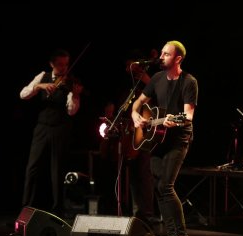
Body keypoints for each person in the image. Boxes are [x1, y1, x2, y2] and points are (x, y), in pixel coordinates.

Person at [131, 40, 198, 236]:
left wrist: (175, 121)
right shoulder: (158, 78)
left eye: (166, 54)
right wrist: (135, 117)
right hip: (158, 139)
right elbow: (137, 103)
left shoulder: (189, 82)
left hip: (178, 139)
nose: (161, 57)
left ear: (178, 59)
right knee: (159, 188)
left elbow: (188, 116)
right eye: (161, 53)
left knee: (165, 186)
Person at [20, 48, 84, 215]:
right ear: (52, 64)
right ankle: (26, 209)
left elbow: (71, 111)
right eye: (60, 65)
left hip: (60, 129)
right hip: (42, 127)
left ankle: (58, 211)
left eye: (66, 65)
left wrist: (75, 95)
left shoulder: (70, 82)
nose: (64, 68)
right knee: (32, 168)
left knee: (57, 171)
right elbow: (23, 94)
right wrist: (39, 86)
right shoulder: (43, 76)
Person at [99, 48, 158, 224]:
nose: (128, 70)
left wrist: (146, 79)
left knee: (143, 174)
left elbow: (159, 97)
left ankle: (147, 214)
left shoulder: (151, 80)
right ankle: (134, 212)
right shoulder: (128, 84)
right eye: (126, 67)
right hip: (129, 131)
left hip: (146, 131)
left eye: (130, 66)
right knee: (133, 173)